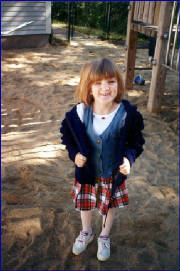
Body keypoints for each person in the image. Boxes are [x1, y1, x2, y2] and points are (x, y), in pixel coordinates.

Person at [60, 58, 145, 261]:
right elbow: (67, 135)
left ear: (119, 83)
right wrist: (75, 154)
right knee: (85, 205)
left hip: (111, 175)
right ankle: (87, 231)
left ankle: (104, 236)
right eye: (97, 83)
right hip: (87, 174)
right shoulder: (79, 113)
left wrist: (128, 159)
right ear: (88, 87)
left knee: (108, 207)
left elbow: (136, 141)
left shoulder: (127, 114)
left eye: (111, 81)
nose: (105, 88)